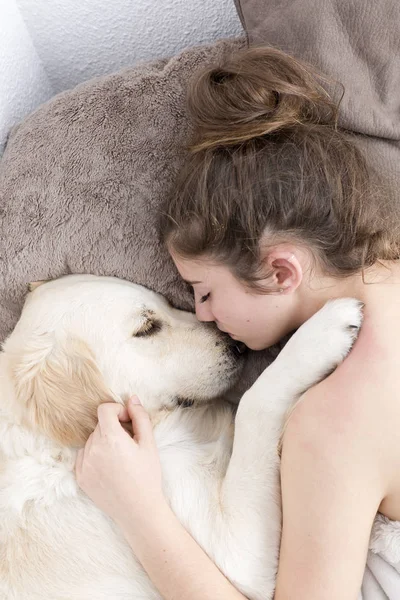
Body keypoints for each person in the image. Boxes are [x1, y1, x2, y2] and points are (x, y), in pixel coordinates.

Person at [75, 46, 400, 599]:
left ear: (280, 270)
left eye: (204, 291)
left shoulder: (334, 425)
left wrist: (137, 511)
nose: (201, 314)